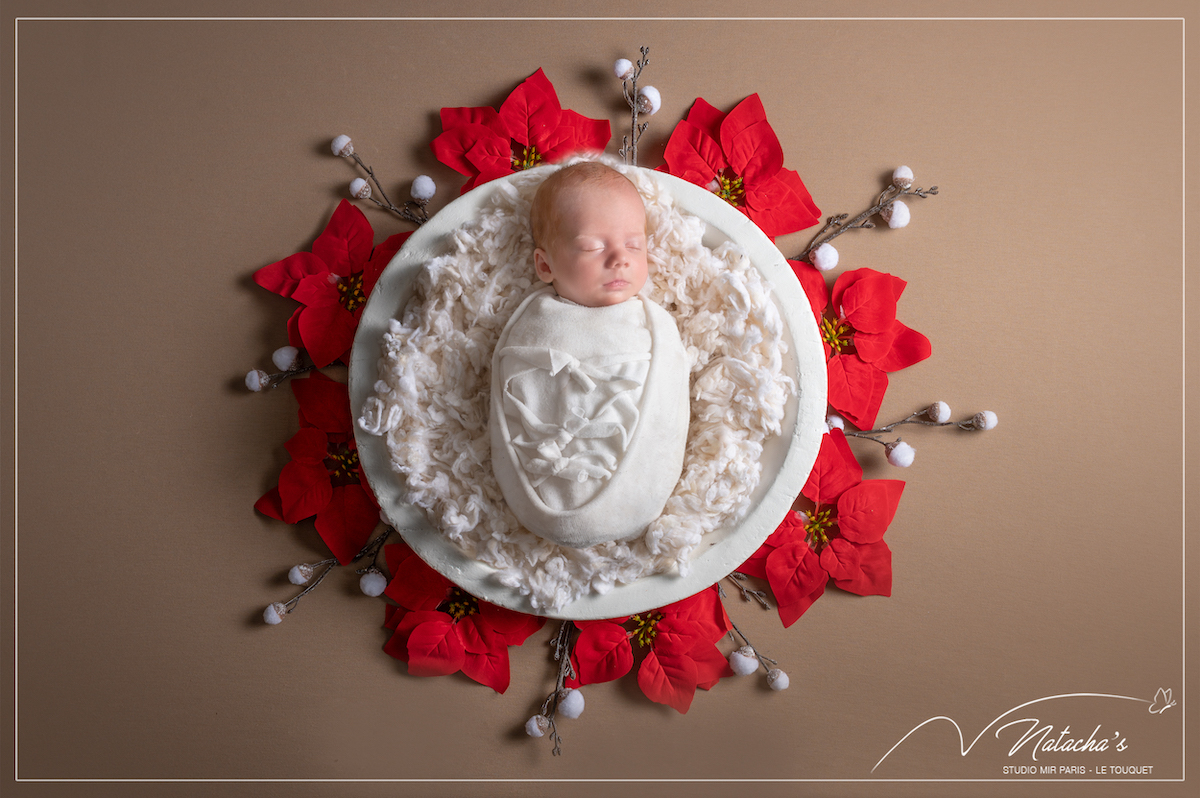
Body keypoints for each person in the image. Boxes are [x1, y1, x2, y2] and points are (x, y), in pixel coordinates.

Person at [489, 162, 691, 548]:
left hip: (633, 491)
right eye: (591, 247)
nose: (620, 258)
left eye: (635, 244)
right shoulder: (532, 323)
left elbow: (670, 403)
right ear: (545, 265)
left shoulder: (652, 323)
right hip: (541, 485)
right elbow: (507, 392)